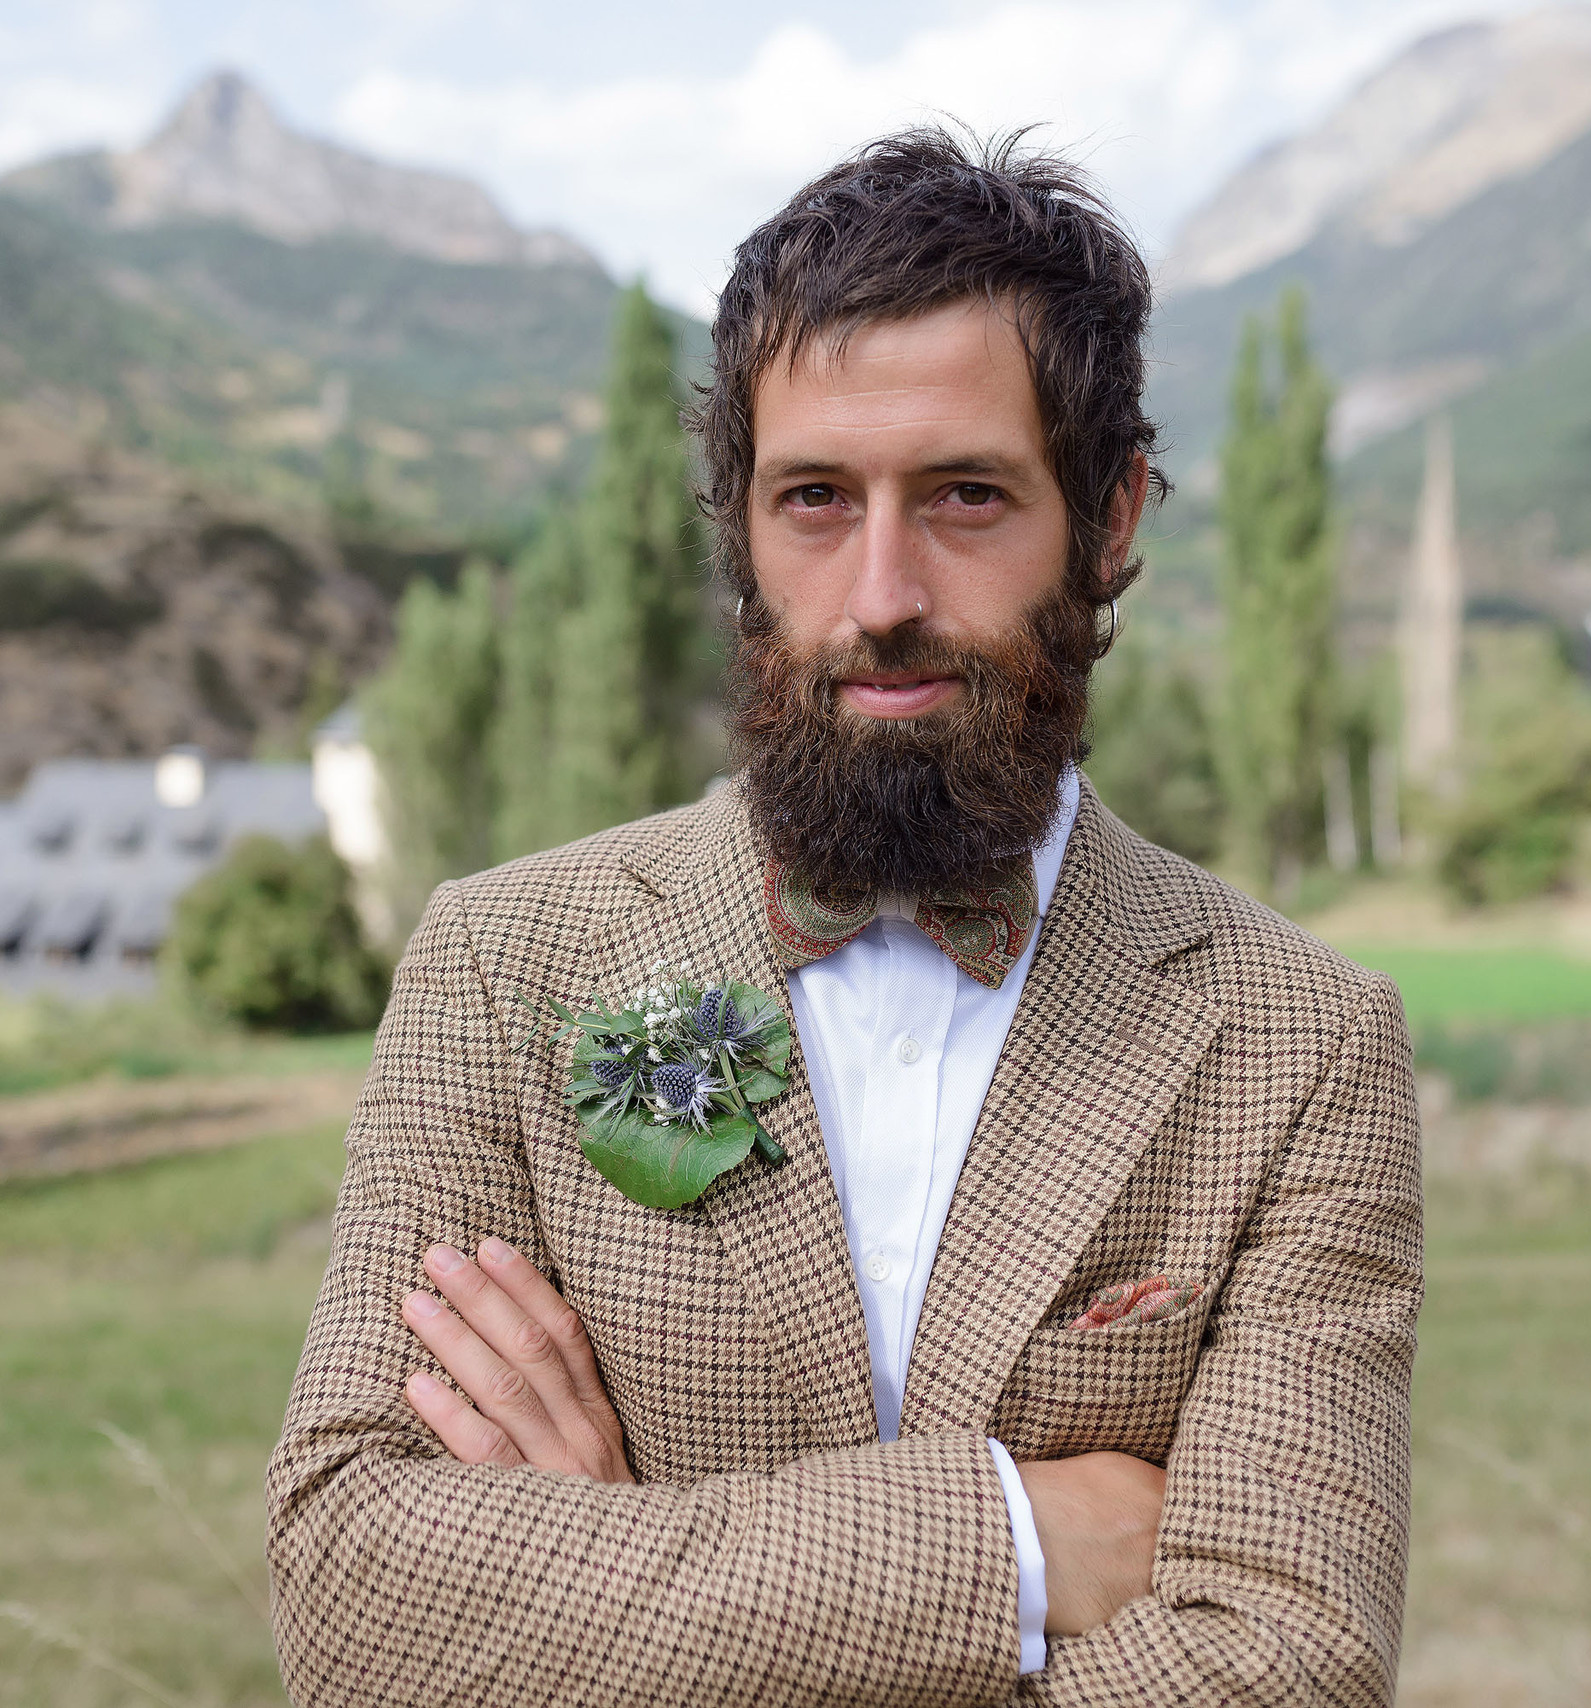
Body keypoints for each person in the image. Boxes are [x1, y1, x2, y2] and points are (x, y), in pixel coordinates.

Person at [266, 127, 1422, 1706]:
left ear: (1110, 518)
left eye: (965, 496)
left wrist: (610, 1582)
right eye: (814, 498)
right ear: (738, 525)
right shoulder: (500, 967)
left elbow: (1292, 1669)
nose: (880, 594)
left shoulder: (1304, 1043)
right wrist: (1016, 1543)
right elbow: (353, 1594)